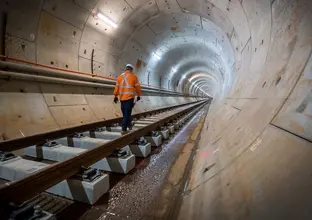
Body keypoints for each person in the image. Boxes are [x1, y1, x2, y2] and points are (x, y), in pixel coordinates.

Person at [113, 64, 142, 135]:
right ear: (131, 69)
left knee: (125, 114)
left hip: (122, 98)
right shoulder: (134, 77)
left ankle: (129, 125)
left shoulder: (120, 77)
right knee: (127, 114)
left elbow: (116, 87)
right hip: (129, 98)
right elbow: (138, 88)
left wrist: (115, 96)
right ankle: (124, 129)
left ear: (126, 69)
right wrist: (139, 95)